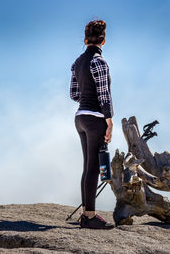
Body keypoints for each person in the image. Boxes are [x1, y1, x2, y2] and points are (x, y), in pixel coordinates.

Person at [69, 19, 114, 229]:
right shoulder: (99, 62)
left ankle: (87, 214)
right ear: (103, 41)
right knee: (94, 168)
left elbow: (74, 94)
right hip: (95, 118)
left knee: (87, 167)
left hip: (80, 118)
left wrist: (87, 100)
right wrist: (109, 121)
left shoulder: (77, 63)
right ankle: (89, 216)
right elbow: (104, 96)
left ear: (86, 40)